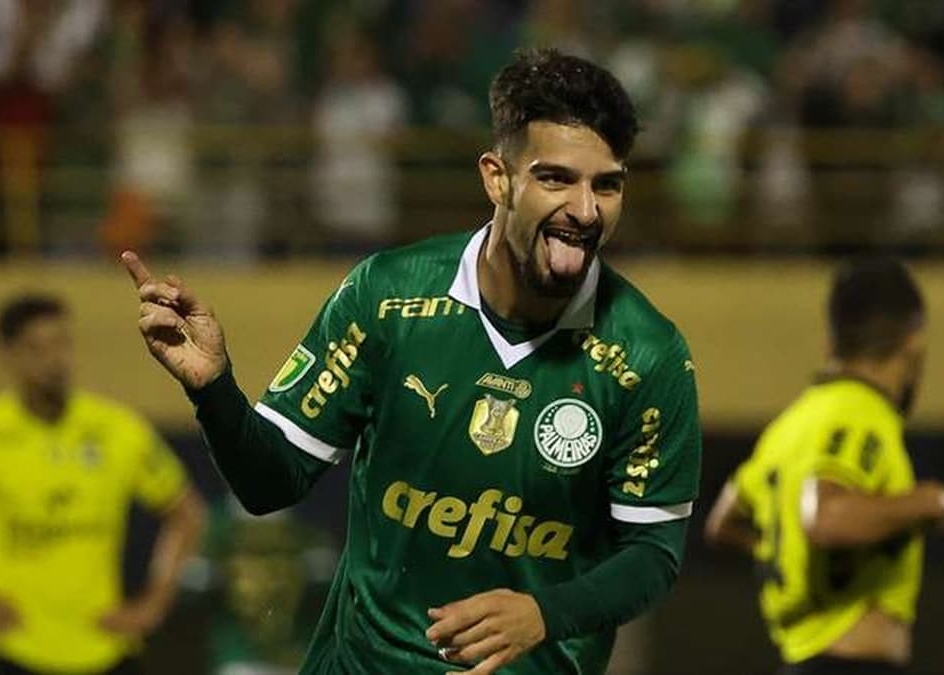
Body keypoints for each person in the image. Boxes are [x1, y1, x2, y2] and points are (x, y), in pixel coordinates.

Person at [123, 48, 702, 674]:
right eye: (556, 178)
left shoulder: (647, 355)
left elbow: (652, 556)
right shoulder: (388, 296)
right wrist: (215, 391)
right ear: (497, 177)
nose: (586, 211)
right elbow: (268, 483)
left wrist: (544, 614)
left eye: (606, 185)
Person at [0, 293, 206, 675]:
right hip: (16, 651)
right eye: (37, 347)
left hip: (106, 650)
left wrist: (154, 603)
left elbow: (186, 513)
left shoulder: (120, 432)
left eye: (61, 343)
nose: (54, 360)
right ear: (8, 355)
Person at [704, 258, 944, 675]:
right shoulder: (860, 409)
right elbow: (827, 517)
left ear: (830, 343)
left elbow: (722, 523)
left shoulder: (788, 427)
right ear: (914, 342)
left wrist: (782, 554)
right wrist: (931, 502)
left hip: (804, 658)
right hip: (849, 662)